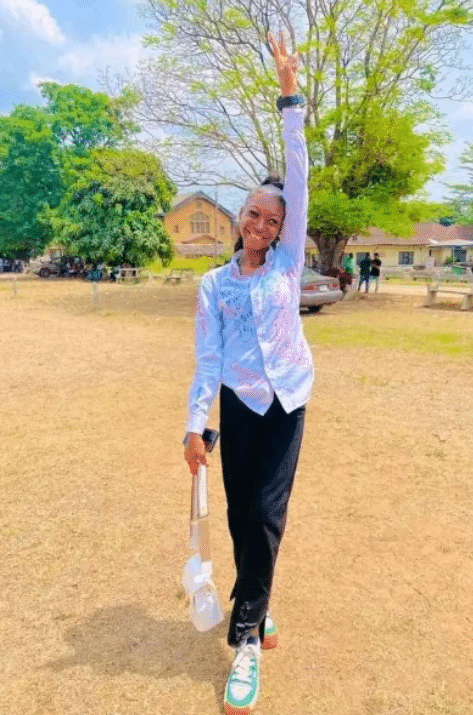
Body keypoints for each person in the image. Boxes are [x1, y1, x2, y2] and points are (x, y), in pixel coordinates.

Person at [183, 30, 313, 715]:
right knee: (241, 516)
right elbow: (208, 358)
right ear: (240, 218)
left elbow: (297, 172)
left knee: (266, 513)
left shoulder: (288, 263)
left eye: (274, 217)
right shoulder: (214, 285)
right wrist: (195, 424)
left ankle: (246, 640)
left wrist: (289, 96)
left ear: (285, 227)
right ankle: (256, 604)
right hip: (238, 406)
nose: (262, 223)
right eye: (253, 213)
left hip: (287, 400)